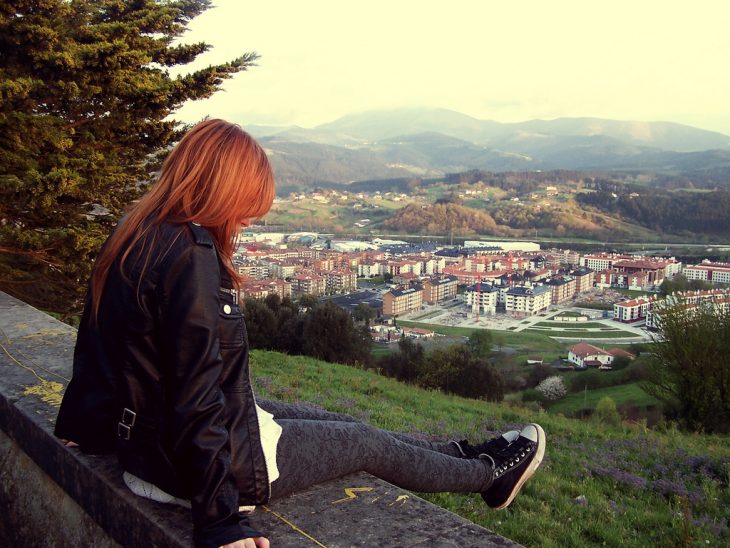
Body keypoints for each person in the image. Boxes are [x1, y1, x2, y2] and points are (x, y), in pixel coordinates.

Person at [55, 119, 546, 548]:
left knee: (328, 417)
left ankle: (460, 453)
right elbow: (196, 398)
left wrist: (81, 426)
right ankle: (487, 476)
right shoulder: (190, 256)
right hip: (204, 472)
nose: (251, 218)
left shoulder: (137, 230)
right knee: (362, 443)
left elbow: (101, 342)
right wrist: (219, 523)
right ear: (219, 188)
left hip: (153, 455)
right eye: (247, 203)